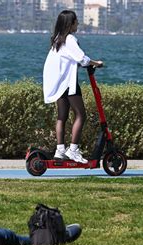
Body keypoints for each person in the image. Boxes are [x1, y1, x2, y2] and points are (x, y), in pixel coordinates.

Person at [43, 10, 104, 164]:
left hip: (57, 83)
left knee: (61, 117)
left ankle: (60, 150)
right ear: (71, 24)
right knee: (81, 115)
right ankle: (73, 150)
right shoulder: (70, 39)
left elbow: (72, 59)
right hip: (68, 83)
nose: (78, 24)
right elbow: (81, 58)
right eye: (76, 21)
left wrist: (87, 62)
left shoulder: (57, 39)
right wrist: (96, 63)